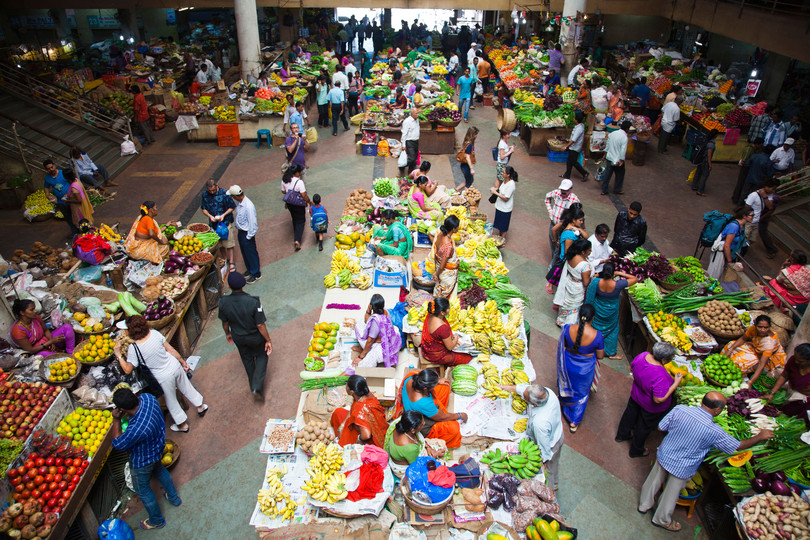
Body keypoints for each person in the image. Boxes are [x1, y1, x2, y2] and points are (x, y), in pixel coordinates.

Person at [638, 392, 774, 532]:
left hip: (665, 454)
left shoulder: (680, 409)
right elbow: (736, 446)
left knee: (653, 480)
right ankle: (661, 520)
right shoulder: (714, 431)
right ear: (717, 410)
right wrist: (759, 437)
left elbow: (661, 426)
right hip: (682, 466)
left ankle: (644, 505)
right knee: (670, 494)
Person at [114, 315, 207, 433]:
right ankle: (200, 407)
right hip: (174, 365)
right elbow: (171, 350)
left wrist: (118, 355)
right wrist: (183, 362)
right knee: (186, 386)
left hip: (163, 377)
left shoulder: (134, 348)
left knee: (171, 400)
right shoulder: (154, 333)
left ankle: (183, 425)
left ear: (130, 331)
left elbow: (127, 369)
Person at [111, 388, 182, 531]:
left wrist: (116, 419)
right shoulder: (148, 398)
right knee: (160, 470)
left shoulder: (137, 429)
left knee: (142, 490)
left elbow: (117, 443)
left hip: (143, 461)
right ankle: (174, 497)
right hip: (157, 447)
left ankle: (156, 520)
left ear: (123, 410)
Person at [615, 343, 679, 458]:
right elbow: (658, 399)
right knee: (643, 427)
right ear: (664, 360)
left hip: (636, 394)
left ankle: (622, 435)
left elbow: (632, 368)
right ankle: (636, 450)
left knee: (629, 414)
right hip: (650, 406)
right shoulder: (660, 375)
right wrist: (675, 384)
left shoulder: (643, 355)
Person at [218, 272, 273, 401]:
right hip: (255, 337)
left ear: (229, 285)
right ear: (243, 284)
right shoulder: (253, 301)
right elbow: (260, 325)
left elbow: (225, 322)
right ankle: (257, 386)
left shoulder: (223, 302)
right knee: (261, 356)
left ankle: (252, 385)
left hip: (238, 337)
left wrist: (228, 334)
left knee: (246, 358)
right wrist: (268, 340)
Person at [501, 384, 564, 490]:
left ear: (533, 404)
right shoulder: (547, 392)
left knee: (549, 468)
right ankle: (555, 482)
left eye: (526, 400)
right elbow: (525, 389)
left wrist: (540, 463)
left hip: (551, 443)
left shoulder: (540, 423)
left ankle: (551, 487)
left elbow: (545, 452)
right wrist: (506, 387)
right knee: (554, 464)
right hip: (556, 430)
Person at [557, 304, 603, 432]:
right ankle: (574, 422)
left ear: (579, 315)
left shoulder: (567, 329)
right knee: (581, 394)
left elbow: (565, 344)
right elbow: (600, 355)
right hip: (584, 370)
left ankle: (563, 402)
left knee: (568, 384)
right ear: (592, 318)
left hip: (567, 363)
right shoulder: (597, 335)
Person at [394, 368, 467, 448]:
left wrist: (438, 381)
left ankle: (439, 407)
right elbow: (442, 417)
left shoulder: (412, 375)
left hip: (419, 406)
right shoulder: (423, 403)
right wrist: (460, 415)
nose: (435, 385)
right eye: (433, 385)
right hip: (423, 422)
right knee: (454, 427)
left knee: (444, 385)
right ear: (425, 388)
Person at [585, 262, 637, 358]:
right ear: (613, 272)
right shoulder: (618, 285)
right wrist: (621, 273)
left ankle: (591, 346)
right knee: (612, 331)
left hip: (597, 310)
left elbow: (589, 298)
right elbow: (635, 279)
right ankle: (610, 353)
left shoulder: (596, 282)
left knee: (595, 328)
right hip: (611, 313)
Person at [723, 315, 787, 388]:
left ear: (769, 327)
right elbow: (743, 338)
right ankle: (723, 362)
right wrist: (730, 349)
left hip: (768, 360)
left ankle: (731, 374)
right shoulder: (753, 329)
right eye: (760, 327)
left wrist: (751, 382)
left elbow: (761, 365)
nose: (762, 330)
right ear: (755, 325)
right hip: (756, 348)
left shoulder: (769, 343)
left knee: (741, 362)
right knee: (731, 345)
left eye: (766, 327)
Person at [330, 375, 389, 447]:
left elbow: (366, 435)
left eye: (347, 385)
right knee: (338, 412)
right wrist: (342, 426)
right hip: (379, 429)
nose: (346, 386)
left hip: (373, 441)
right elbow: (353, 408)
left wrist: (359, 439)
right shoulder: (364, 394)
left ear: (351, 392)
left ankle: (341, 443)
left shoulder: (359, 410)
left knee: (345, 439)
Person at [384, 411, 444, 477]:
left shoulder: (401, 423)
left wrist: (428, 447)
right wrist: (434, 456)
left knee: (438, 445)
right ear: (412, 430)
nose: (424, 423)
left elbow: (417, 440)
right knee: (438, 466)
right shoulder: (409, 447)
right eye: (421, 424)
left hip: (409, 454)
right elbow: (416, 465)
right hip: (404, 468)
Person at [351, 294, 402, 368]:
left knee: (366, 363)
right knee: (360, 324)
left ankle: (364, 351)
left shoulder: (376, 321)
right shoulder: (385, 311)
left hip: (382, 346)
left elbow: (370, 340)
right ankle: (364, 349)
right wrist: (368, 312)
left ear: (371, 306)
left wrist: (362, 355)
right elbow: (367, 321)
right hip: (391, 339)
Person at [11, 299, 75, 356]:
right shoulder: (17, 331)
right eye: (31, 310)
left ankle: (71, 353)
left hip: (47, 341)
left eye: (34, 309)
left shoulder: (36, 318)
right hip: (36, 352)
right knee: (46, 355)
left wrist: (50, 340)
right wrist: (50, 342)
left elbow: (45, 330)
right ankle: (65, 357)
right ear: (22, 313)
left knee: (67, 327)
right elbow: (30, 350)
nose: (35, 311)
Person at [764, 343, 810, 423]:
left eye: (800, 361)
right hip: (793, 391)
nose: (796, 361)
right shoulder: (793, 361)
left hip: (806, 400)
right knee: (784, 411)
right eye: (796, 358)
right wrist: (772, 393)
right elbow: (784, 375)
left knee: (800, 419)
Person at [421, 297, 472, 367]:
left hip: (426, 349)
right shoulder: (442, 327)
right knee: (468, 357)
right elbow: (450, 347)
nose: (450, 308)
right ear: (442, 312)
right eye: (448, 308)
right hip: (436, 355)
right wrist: (456, 337)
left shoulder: (431, 314)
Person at [200, 178, 237, 274]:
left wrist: (223, 215)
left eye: (213, 190)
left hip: (226, 222)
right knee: (219, 243)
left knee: (228, 242)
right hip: (214, 224)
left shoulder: (225, 193)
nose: (212, 192)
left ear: (217, 186)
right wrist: (210, 216)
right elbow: (203, 208)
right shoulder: (205, 195)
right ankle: (225, 258)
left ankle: (232, 262)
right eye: (210, 191)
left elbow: (232, 206)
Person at [554, 239, 593, 327]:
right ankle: (568, 325)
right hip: (577, 288)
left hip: (569, 282)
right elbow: (586, 283)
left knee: (566, 303)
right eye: (589, 249)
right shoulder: (585, 266)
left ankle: (561, 320)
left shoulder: (571, 256)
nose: (591, 251)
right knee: (574, 306)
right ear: (583, 252)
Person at [707, 206, 753, 280]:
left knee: (720, 277)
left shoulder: (742, 226)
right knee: (713, 276)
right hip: (721, 254)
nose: (753, 217)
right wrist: (729, 261)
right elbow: (727, 245)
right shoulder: (734, 226)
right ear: (744, 216)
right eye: (751, 215)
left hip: (727, 254)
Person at [228, 185, 261, 283]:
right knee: (245, 253)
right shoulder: (240, 203)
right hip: (241, 232)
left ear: (236, 195)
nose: (232, 198)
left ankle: (256, 273)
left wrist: (249, 236)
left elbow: (253, 223)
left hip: (247, 233)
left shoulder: (248, 206)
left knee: (251, 253)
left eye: (232, 196)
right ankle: (250, 269)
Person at [545, 179, 581, 258]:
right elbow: (547, 197)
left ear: (571, 189)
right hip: (553, 223)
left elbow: (578, 215)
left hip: (564, 227)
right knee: (553, 242)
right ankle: (554, 258)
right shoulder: (556, 193)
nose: (563, 192)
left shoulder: (574, 200)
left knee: (562, 246)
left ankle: (557, 261)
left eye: (566, 190)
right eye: (562, 190)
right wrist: (550, 211)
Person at [281, 164, 311, 252]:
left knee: (294, 218)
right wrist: (310, 202)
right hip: (298, 204)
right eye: (299, 172)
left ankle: (296, 234)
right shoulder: (299, 182)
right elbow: (304, 195)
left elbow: (283, 191)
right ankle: (297, 240)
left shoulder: (285, 179)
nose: (300, 174)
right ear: (296, 172)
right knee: (301, 220)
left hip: (290, 203)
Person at [42, 159, 76, 235]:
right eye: (48, 169)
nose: (51, 170)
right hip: (60, 201)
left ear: (54, 165)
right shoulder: (47, 178)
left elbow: (72, 181)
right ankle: (74, 232)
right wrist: (47, 195)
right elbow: (46, 186)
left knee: (75, 214)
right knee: (67, 217)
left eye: (52, 167)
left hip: (70, 199)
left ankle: (81, 229)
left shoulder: (62, 173)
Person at [744, 179, 778, 252]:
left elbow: (770, 207)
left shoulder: (770, 196)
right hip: (750, 220)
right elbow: (746, 206)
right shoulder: (754, 195)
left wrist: (765, 197)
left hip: (757, 221)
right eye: (772, 189)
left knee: (753, 239)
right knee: (745, 236)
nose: (773, 191)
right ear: (766, 187)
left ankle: (744, 247)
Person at [432, 216, 461, 298]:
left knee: (439, 291)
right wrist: (436, 274)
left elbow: (436, 254)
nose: (458, 228)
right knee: (444, 297)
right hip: (446, 275)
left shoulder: (440, 235)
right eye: (457, 226)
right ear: (453, 229)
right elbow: (442, 266)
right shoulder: (448, 246)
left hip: (439, 269)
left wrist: (435, 270)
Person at [601, 121, 630, 195]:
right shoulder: (624, 137)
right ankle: (617, 189)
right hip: (617, 160)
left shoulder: (612, 134)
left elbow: (607, 146)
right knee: (620, 174)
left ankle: (604, 190)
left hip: (609, 157)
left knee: (607, 174)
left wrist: (605, 155)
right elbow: (623, 150)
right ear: (627, 129)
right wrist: (622, 160)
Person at [491, 166, 518, 242]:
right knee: (500, 226)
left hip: (505, 209)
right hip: (499, 207)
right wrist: (495, 190)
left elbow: (506, 198)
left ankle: (501, 242)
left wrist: (495, 193)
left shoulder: (511, 184)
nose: (502, 173)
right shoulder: (505, 180)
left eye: (504, 172)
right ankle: (499, 238)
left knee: (504, 227)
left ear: (508, 175)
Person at [562, 111, 589, 181]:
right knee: (569, 161)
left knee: (573, 162)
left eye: (574, 117)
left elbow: (573, 140)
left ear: (576, 120)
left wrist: (566, 146)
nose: (573, 118)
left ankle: (584, 173)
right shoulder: (579, 126)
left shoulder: (579, 129)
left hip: (575, 148)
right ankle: (567, 175)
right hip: (573, 147)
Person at [692, 129, 717, 196]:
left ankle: (694, 185)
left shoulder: (705, 139)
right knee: (705, 175)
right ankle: (700, 190)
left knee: (698, 172)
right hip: (705, 161)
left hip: (700, 159)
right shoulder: (711, 144)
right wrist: (710, 164)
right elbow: (709, 155)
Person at [457, 126, 478, 190]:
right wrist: (471, 168)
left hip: (464, 165)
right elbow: (467, 156)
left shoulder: (466, 142)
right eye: (476, 134)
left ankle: (456, 190)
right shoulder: (469, 145)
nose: (476, 136)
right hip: (466, 166)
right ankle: (465, 196)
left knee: (468, 181)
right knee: (468, 184)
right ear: (473, 134)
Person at [401, 107, 420, 174]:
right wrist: (403, 145)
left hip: (416, 141)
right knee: (411, 158)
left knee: (414, 158)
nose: (418, 114)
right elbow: (404, 134)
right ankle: (402, 165)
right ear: (411, 114)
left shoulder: (417, 120)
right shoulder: (407, 122)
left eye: (418, 113)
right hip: (409, 142)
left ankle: (411, 173)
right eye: (416, 113)